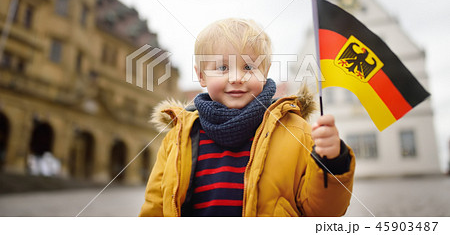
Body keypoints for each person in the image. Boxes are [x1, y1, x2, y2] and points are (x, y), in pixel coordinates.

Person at [139, 18, 355, 217]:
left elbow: (324, 212)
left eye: (248, 67)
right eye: (222, 67)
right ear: (201, 76)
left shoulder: (296, 131)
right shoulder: (178, 137)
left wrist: (332, 162)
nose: (236, 78)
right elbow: (155, 208)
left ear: (265, 71)